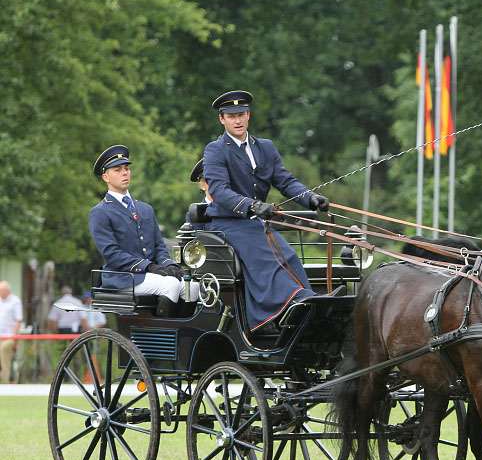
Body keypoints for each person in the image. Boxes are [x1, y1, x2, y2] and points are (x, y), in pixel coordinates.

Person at [202, 90, 329, 333]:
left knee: (288, 255)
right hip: (228, 224)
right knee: (264, 256)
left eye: (241, 115)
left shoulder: (266, 148)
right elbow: (219, 190)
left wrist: (310, 198)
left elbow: (285, 181)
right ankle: (277, 311)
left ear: (248, 115)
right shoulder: (215, 150)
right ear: (222, 119)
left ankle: (305, 304)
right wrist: (252, 205)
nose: (237, 121)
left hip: (256, 223)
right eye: (231, 116)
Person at [88, 145, 188, 316]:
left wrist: (168, 265)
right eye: (117, 170)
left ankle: (185, 337)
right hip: (122, 278)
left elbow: (159, 246)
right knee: (170, 285)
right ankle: (161, 337)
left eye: (126, 168)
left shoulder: (145, 209)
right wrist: (148, 267)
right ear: (106, 177)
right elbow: (112, 253)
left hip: (149, 275)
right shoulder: (100, 212)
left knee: (191, 286)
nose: (125, 173)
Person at [0, 281, 23, 384]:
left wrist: (14, 337)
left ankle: (6, 382)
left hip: (9, 336)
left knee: (4, 350)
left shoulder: (15, 301)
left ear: (6, 290)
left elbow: (18, 320)